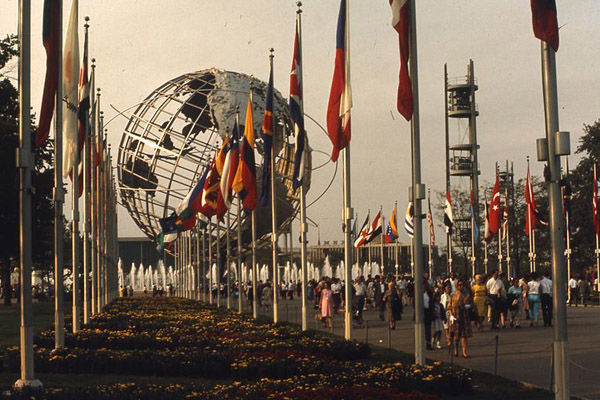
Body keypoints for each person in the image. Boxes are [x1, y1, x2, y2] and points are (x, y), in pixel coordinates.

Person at [449, 279, 472, 358]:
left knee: (464, 335)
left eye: (462, 285)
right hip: (456, 316)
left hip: (464, 316)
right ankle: (455, 349)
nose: (461, 286)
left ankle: (464, 351)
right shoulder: (453, 294)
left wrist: (468, 305)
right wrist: (451, 316)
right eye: (459, 285)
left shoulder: (467, 294)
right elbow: (449, 306)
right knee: (456, 336)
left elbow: (471, 303)